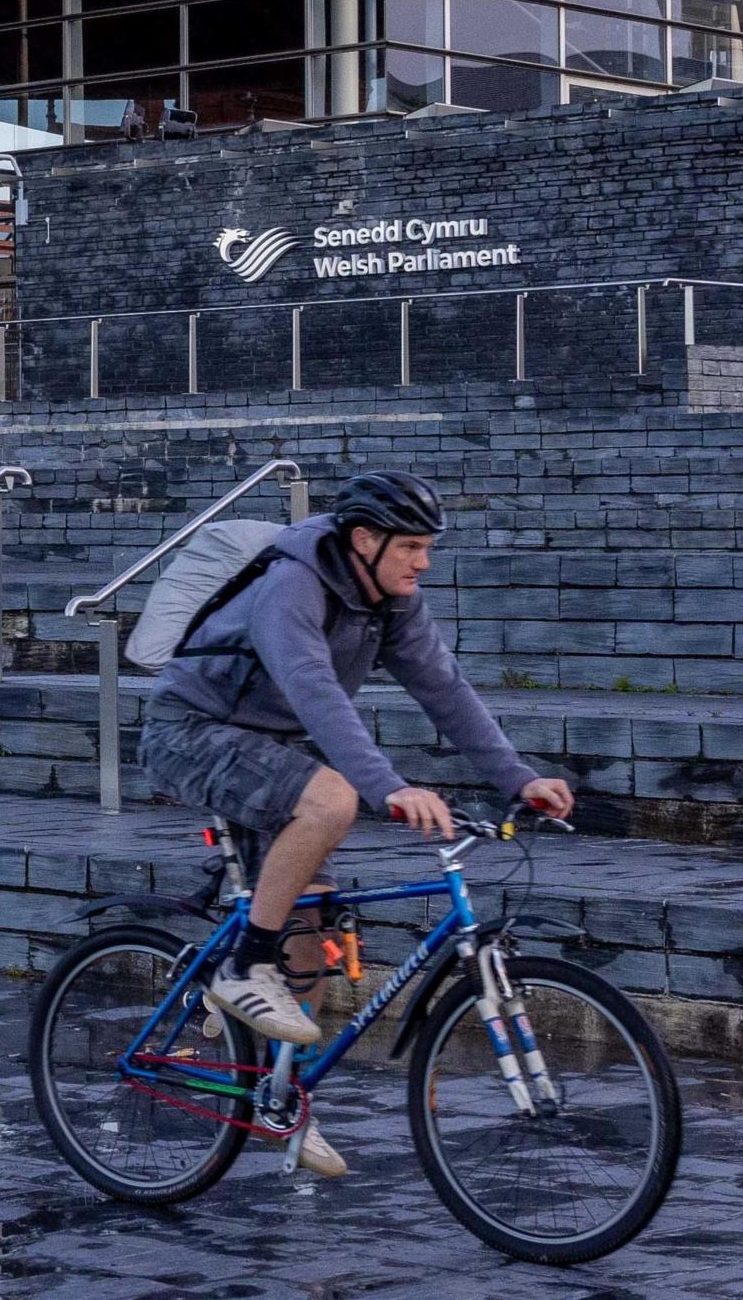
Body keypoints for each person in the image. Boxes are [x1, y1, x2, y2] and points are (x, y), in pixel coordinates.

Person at [139, 468, 573, 1179]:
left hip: (272, 745)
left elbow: (445, 689)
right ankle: (242, 964)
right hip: (192, 730)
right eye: (411, 547)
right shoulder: (293, 583)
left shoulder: (391, 600)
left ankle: (279, 1097)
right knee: (333, 800)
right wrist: (388, 787)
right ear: (365, 539)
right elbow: (315, 692)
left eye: (427, 547)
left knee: (309, 937)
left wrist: (518, 777)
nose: (423, 562)